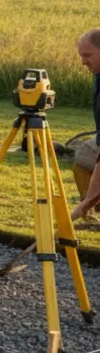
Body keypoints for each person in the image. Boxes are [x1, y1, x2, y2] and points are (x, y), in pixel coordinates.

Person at [69, 28, 100, 221]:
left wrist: (87, 203)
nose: (83, 62)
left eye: (87, 55)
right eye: (81, 56)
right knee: (83, 155)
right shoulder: (98, 73)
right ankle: (91, 217)